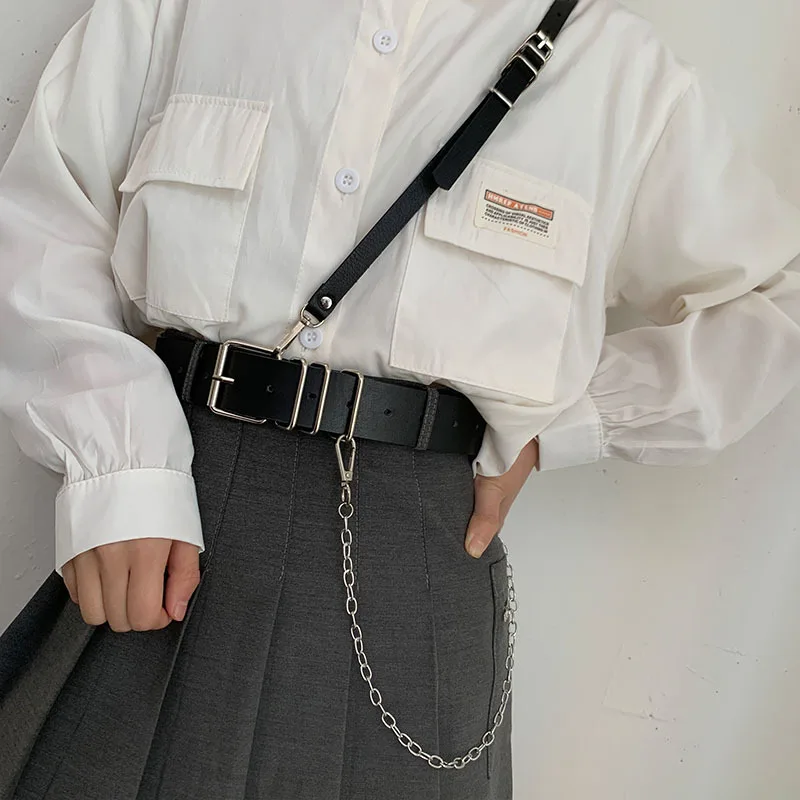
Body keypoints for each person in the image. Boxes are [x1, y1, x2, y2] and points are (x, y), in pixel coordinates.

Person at [0, 0, 799, 797]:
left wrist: (569, 424)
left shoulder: (617, 70)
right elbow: (44, 223)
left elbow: (774, 300)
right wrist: (119, 462)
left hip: (419, 550)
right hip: (172, 516)